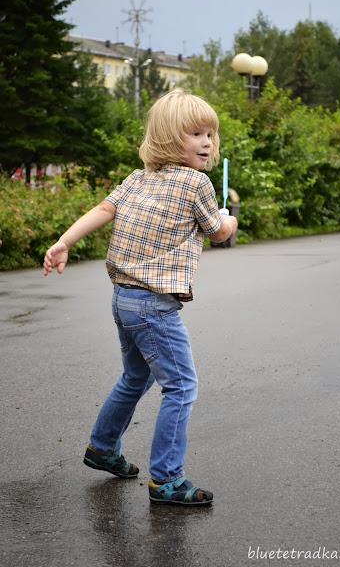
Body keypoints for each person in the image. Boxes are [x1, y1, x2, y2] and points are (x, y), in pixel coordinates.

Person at [43, 89, 237, 506]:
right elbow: (219, 233)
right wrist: (230, 220)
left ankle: (102, 447)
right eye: (195, 134)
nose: (206, 142)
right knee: (181, 386)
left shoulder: (136, 179)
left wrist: (64, 241)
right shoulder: (197, 183)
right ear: (167, 138)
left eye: (210, 134)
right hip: (153, 307)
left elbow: (102, 210)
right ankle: (166, 479)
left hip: (123, 300)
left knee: (137, 376)